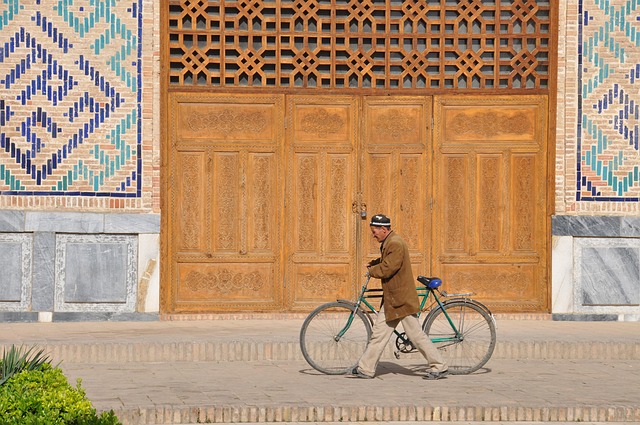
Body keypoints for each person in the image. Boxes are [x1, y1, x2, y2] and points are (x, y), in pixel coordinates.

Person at [350, 214, 448, 380]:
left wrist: (372, 271)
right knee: (379, 334)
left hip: (401, 299)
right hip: (392, 299)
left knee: (415, 336)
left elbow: (388, 268)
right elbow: (387, 260)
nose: (373, 235)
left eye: (375, 231)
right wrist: (375, 263)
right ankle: (365, 368)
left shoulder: (395, 243)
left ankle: (439, 365)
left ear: (384, 229)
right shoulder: (390, 242)